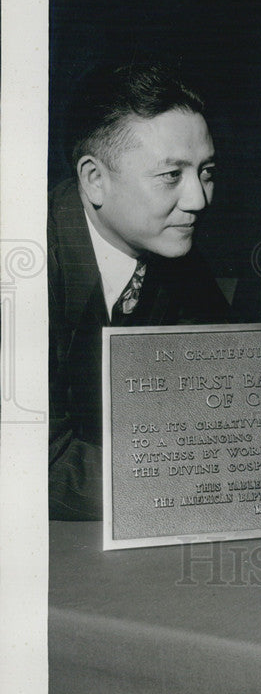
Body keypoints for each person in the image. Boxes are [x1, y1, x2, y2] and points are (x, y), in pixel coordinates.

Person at [48, 62, 229, 520]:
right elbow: (39, 466)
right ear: (94, 179)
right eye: (171, 176)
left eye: (205, 171)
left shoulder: (178, 256)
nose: (198, 200)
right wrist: (199, 475)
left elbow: (224, 405)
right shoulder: (23, 268)